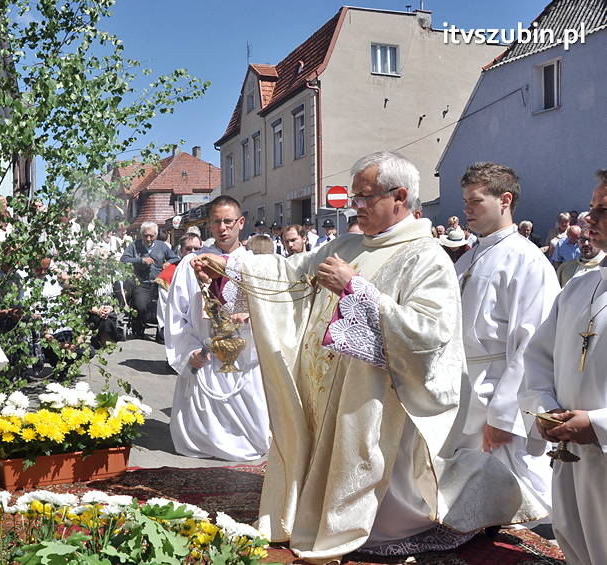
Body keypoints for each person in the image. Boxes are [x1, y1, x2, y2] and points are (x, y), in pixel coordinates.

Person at [193, 151, 544, 562]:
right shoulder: (348, 243)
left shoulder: (425, 256)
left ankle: (480, 494)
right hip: (329, 388)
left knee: (389, 506)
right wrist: (231, 270)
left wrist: (355, 289)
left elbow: (427, 334)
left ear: (399, 196)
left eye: (364, 196)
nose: (355, 206)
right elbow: (289, 274)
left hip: (381, 401)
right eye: (355, 196)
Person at [455, 162, 558, 520]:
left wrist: (504, 414)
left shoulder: (528, 260)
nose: (466, 208)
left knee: (522, 500)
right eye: (465, 200)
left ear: (505, 200)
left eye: (476, 200)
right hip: (464, 388)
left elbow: (533, 343)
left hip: (499, 393)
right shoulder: (469, 257)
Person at [521, 169, 607, 565]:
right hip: (571, 456)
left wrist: (599, 425)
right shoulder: (579, 287)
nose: (587, 219)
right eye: (590, 209)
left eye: (601, 210)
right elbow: (539, 357)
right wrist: (544, 408)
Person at [164, 196, 269, 461]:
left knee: (253, 440)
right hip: (206, 356)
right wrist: (189, 352)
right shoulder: (190, 266)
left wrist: (253, 317)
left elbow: (271, 312)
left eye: (228, 221)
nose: (222, 228)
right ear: (209, 225)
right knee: (198, 439)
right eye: (216, 222)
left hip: (244, 357)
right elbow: (177, 314)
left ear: (240, 223)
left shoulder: (256, 265)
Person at [120, 221, 179, 340]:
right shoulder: (134, 245)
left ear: (156, 235)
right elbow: (124, 260)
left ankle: (161, 333)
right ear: (141, 235)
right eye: (145, 235)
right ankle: (139, 328)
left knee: (162, 306)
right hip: (141, 283)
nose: (148, 238)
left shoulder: (161, 246)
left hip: (158, 282)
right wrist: (141, 260)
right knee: (141, 306)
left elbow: (175, 258)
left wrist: (168, 262)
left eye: (151, 236)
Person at [155, 233, 201, 344]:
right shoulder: (168, 274)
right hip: (178, 328)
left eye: (197, 248)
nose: (193, 251)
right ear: (181, 251)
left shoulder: (210, 270)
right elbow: (164, 306)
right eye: (189, 248)